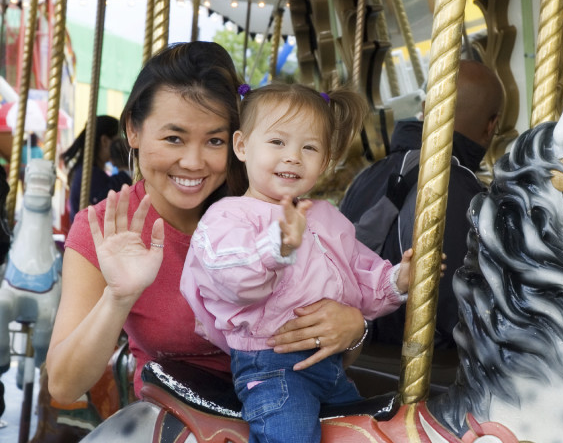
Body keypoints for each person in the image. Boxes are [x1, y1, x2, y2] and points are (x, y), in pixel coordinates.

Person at [45, 42, 370, 412]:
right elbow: (64, 385)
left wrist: (353, 330)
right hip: (185, 414)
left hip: (294, 401)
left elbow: (335, 348)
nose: (194, 161)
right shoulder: (105, 229)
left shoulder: (270, 208)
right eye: (174, 138)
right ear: (133, 131)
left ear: (238, 143)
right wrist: (117, 298)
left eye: (214, 141)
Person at [181, 83, 416, 443]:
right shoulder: (229, 216)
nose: (293, 156)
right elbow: (233, 278)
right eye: (277, 142)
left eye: (309, 147)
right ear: (242, 146)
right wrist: (276, 247)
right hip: (273, 369)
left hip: (330, 368)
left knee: (373, 434)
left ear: (324, 161)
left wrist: (398, 279)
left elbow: (359, 276)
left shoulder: (327, 217)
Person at [339, 59, 503, 349]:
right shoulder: (463, 189)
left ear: (426, 108)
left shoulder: (367, 176)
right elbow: (461, 315)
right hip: (422, 368)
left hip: (356, 355)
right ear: (491, 126)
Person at [61, 115, 132, 223]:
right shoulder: (90, 174)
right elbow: (109, 199)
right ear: (104, 141)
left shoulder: (89, 171)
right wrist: (125, 168)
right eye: (118, 142)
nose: (121, 147)